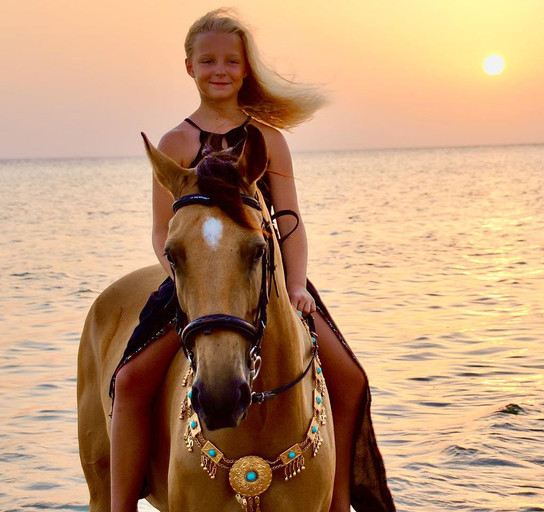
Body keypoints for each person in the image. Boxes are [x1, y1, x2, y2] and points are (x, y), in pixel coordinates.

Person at [109, 9, 395, 512]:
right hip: (194, 282)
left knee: (350, 379)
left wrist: (298, 285)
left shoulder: (269, 141)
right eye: (208, 60)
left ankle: (338, 500)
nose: (219, 69)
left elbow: (290, 221)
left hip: (268, 278)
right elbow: (162, 230)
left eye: (230, 61)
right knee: (130, 381)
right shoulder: (175, 143)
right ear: (189, 67)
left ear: (245, 70)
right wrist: (181, 277)